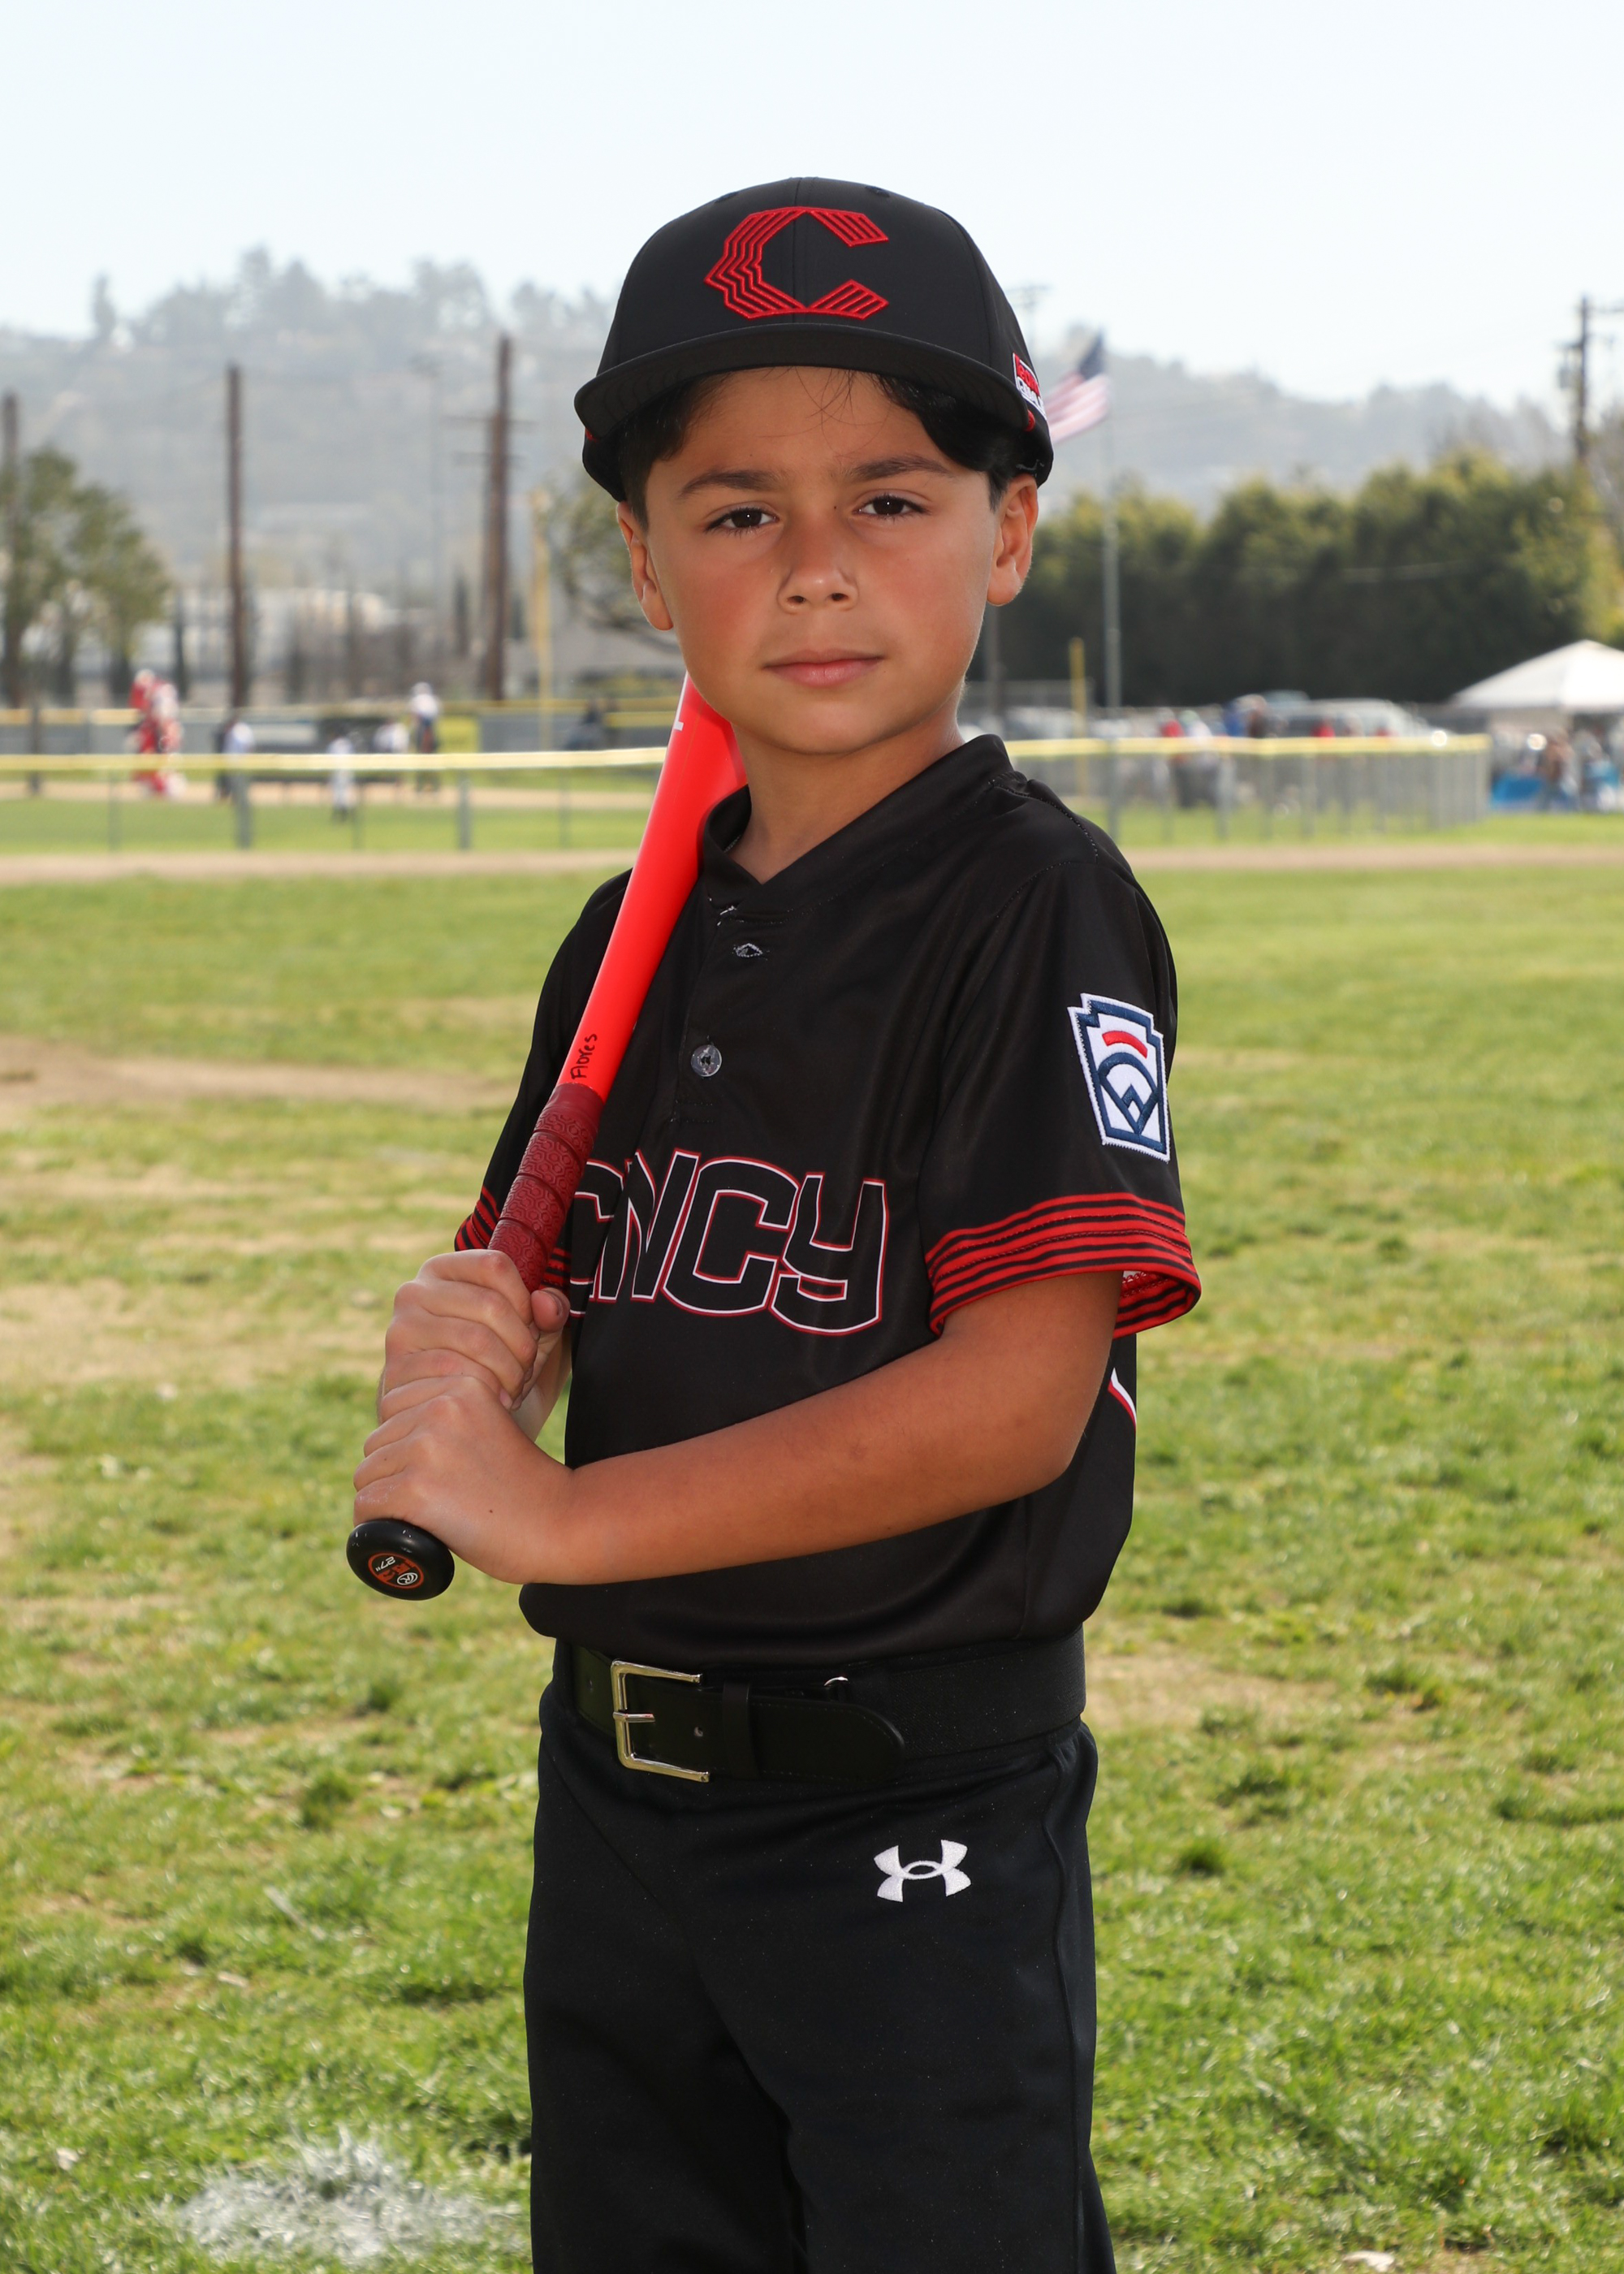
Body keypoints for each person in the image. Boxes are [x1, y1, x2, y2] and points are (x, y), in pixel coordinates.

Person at [354, 177, 1201, 2274]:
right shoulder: (629, 932)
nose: (817, 567)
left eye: (892, 500)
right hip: (620, 1799)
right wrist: (478, 1353)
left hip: (910, 1813)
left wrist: (552, 1518)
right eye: (737, 512)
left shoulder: (1032, 902)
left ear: (1008, 532)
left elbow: (1012, 1402)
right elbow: (565, 1276)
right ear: (649, 566)